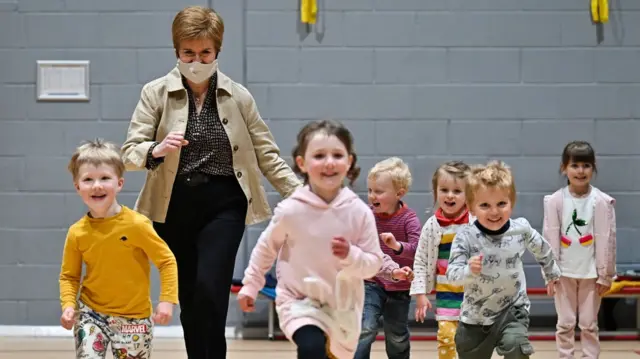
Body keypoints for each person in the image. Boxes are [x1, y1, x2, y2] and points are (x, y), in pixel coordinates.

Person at [121, 6, 301, 358]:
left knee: (211, 288)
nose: (197, 59)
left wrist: (304, 197)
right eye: (189, 52)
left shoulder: (239, 96)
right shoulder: (155, 92)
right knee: (188, 295)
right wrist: (155, 149)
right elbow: (129, 152)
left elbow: (268, 154)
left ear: (217, 51)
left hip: (225, 202)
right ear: (177, 51)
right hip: (173, 204)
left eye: (205, 52)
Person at [237, 119, 388, 359]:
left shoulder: (359, 212)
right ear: (302, 163)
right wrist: (251, 285)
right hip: (298, 300)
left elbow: (373, 264)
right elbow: (266, 248)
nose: (329, 163)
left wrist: (351, 255)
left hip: (342, 305)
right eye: (319, 155)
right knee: (311, 347)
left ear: (349, 162)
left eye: (337, 155)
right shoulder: (290, 210)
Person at [59, 139, 178, 359]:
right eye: (88, 179)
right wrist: (68, 305)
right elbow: (69, 276)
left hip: (134, 319)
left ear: (119, 183)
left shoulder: (137, 225)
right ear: (77, 187)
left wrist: (167, 301)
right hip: (90, 314)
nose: (97, 185)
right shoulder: (77, 232)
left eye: (105, 178)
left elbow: (166, 261)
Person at [446, 161, 561, 359]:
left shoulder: (521, 229)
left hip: (513, 309)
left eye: (501, 203)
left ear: (512, 202)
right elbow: (451, 275)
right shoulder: (465, 236)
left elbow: (543, 249)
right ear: (471, 208)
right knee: (466, 348)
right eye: (484, 205)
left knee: (515, 345)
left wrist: (551, 274)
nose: (494, 212)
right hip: (475, 316)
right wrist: (467, 270)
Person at [542, 141, 616, 359]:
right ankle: (565, 356)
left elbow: (609, 240)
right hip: (563, 273)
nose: (581, 171)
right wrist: (549, 274)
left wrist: (605, 275)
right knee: (564, 323)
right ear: (564, 168)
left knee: (588, 323)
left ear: (593, 168)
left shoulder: (601, 202)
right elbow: (549, 239)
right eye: (575, 165)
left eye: (586, 165)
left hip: (591, 274)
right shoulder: (555, 201)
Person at [354, 157, 421, 359]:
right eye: (370, 190)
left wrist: (397, 246)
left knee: (397, 335)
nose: (372, 196)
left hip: (399, 289)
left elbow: (418, 249)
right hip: (371, 282)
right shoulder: (367, 216)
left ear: (399, 193)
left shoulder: (409, 219)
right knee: (365, 329)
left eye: (379, 191)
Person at [410, 160, 473, 359]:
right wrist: (420, 293)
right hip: (446, 296)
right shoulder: (432, 225)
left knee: (471, 342)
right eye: (444, 189)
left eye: (457, 191)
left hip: (473, 296)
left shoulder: (475, 222)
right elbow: (420, 260)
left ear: (469, 194)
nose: (450, 195)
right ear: (435, 192)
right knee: (446, 338)